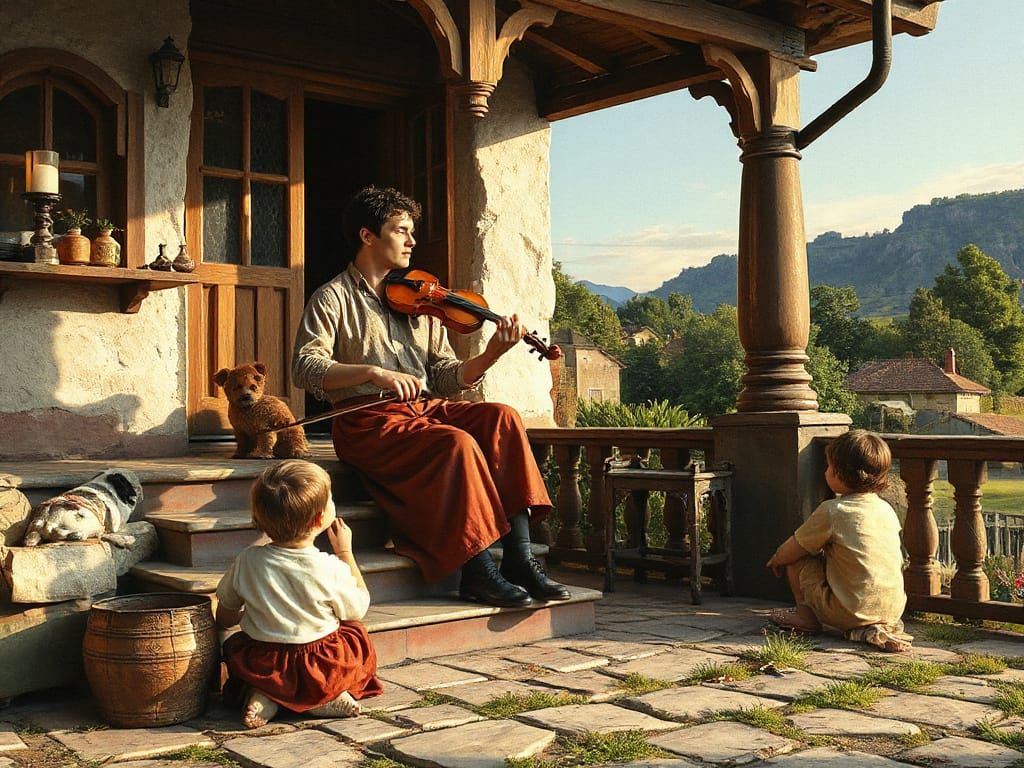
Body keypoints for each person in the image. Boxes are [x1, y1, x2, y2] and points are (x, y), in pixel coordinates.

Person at [291, 185, 570, 609]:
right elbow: (305, 367)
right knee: (454, 443)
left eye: (411, 231)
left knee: (502, 418)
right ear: (368, 236)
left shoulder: (423, 300)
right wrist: (373, 372)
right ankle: (477, 572)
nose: (412, 241)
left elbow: (443, 376)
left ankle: (519, 556)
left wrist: (492, 352)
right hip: (368, 421)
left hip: (424, 409)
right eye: (401, 231)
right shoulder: (332, 297)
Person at [215, 460, 383, 728]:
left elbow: (225, 615)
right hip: (318, 664)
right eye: (331, 499)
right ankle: (323, 697)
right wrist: (345, 553)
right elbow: (358, 608)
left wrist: (247, 614)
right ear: (319, 519)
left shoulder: (247, 560)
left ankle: (266, 696)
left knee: (236, 645)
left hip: (264, 663)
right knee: (357, 633)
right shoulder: (328, 566)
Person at [766, 429, 912, 652]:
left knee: (798, 559)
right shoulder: (885, 509)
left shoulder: (834, 510)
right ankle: (869, 629)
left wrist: (777, 559)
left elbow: (792, 549)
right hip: (892, 610)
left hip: (849, 611)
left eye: (828, 466)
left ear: (838, 474)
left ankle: (806, 618)